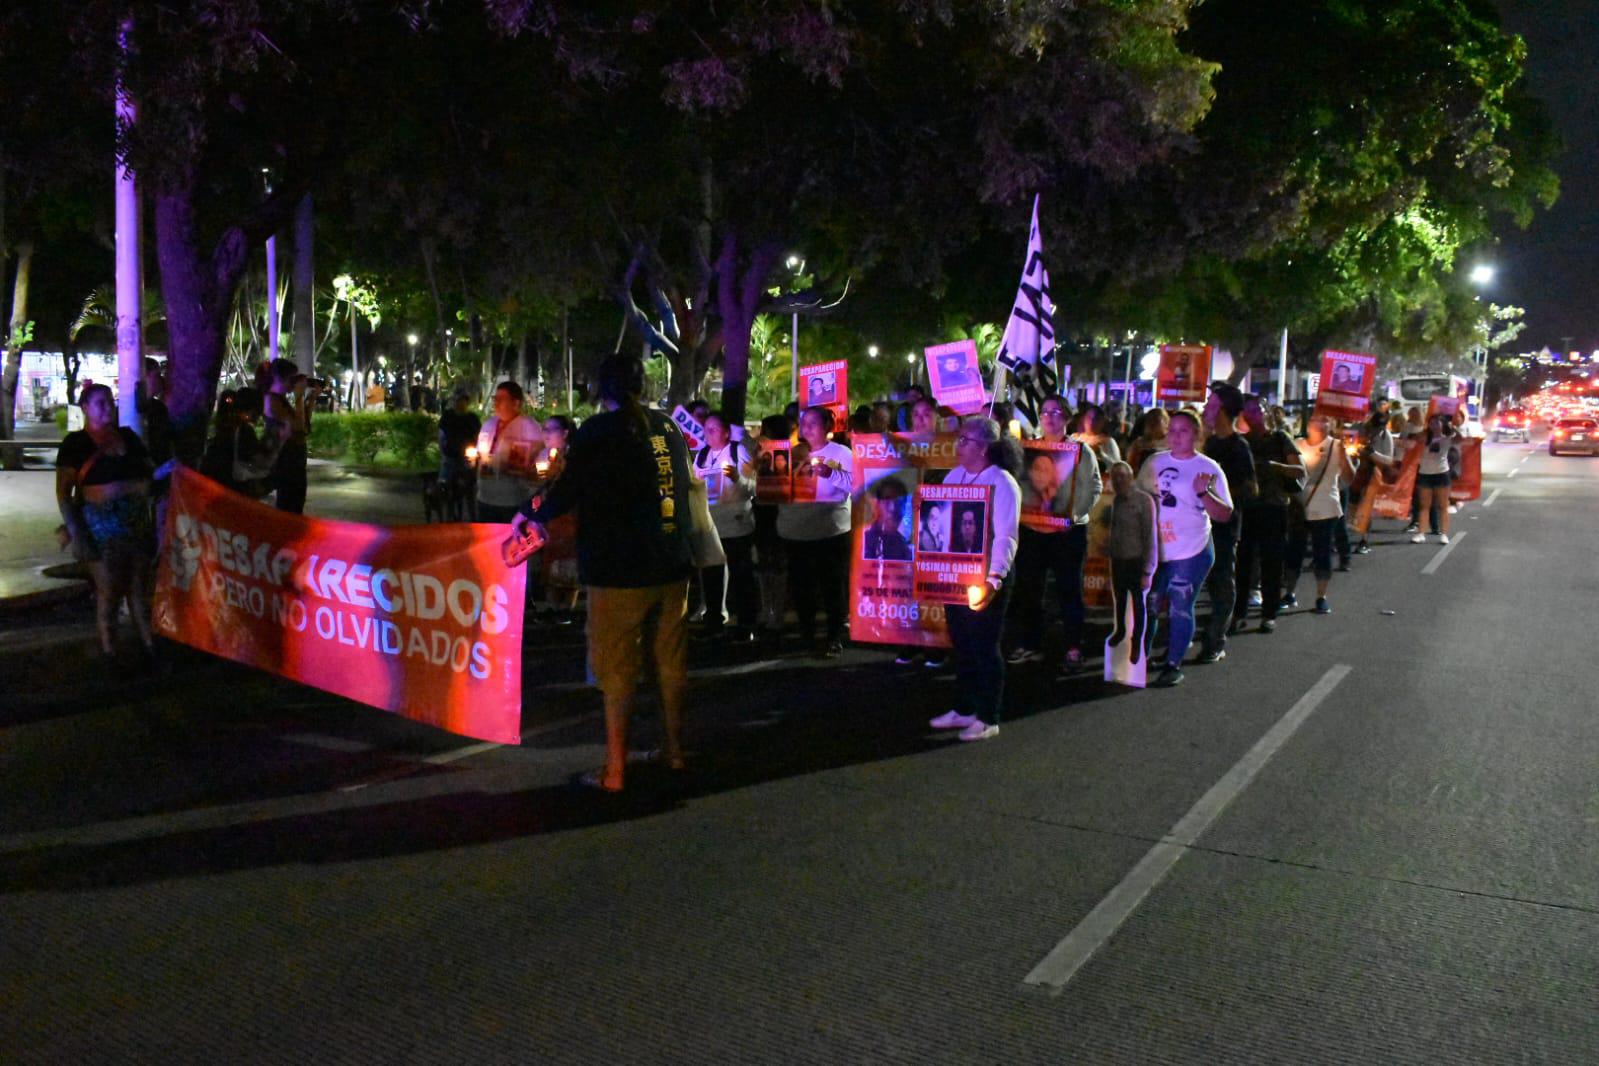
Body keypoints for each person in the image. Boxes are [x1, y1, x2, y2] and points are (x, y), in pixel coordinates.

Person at [512, 354, 695, 793]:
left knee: (616, 670)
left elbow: (568, 489)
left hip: (619, 566)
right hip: (672, 562)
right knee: (669, 663)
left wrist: (530, 513)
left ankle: (614, 770)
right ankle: (674, 750)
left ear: (602, 389)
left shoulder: (599, 431)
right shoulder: (667, 427)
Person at [928, 417, 1021, 742]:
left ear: (982, 447)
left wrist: (994, 578)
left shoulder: (1003, 482)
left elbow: (1006, 536)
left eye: (965, 440)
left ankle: (988, 715)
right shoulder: (955, 476)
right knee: (963, 644)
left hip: (986, 577)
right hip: (956, 574)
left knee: (984, 646)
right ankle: (964, 708)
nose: (958, 445)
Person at [55, 383, 158, 660]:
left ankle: (149, 648)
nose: (107, 407)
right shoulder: (76, 444)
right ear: (85, 408)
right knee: (109, 589)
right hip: (100, 529)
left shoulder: (128, 437)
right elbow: (64, 493)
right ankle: (110, 651)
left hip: (135, 525)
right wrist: (76, 533)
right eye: (100, 402)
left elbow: (150, 474)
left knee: (138, 589)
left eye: (109, 401)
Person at [1137, 410, 1233, 687]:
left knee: (1180, 606)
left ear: (1196, 434)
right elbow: (1136, 499)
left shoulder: (1209, 467)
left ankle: (1173, 663)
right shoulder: (1153, 462)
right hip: (1156, 551)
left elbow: (1224, 514)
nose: (1176, 436)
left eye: (1184, 431)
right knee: (1150, 604)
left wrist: (1204, 492)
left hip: (1191, 551)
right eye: (1173, 430)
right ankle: (1139, 658)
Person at [1008, 394, 1101, 669]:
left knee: (1069, 591)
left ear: (1067, 417)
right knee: (1030, 591)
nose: (1049, 416)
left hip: (1067, 532)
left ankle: (1073, 647)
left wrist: (1073, 514)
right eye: (1045, 411)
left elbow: (1094, 486)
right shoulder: (1028, 450)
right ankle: (1031, 643)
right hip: (1033, 531)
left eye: (1056, 411)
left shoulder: (1080, 451)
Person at [777, 406, 853, 657]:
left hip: (830, 531)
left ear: (827, 427)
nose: (806, 427)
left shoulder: (841, 453)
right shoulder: (786, 454)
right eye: (803, 423)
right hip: (796, 531)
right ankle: (806, 633)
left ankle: (833, 636)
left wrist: (830, 473)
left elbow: (855, 484)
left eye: (813, 423)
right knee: (801, 587)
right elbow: (771, 489)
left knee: (832, 585)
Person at [1235, 395, 1305, 635]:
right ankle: (1239, 612)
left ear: (1266, 412)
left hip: (1274, 507)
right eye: (1247, 411)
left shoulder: (1279, 439)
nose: (1252, 415)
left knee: (1271, 563)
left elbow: (1298, 471)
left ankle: (1269, 613)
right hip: (1247, 507)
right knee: (1243, 563)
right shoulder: (1241, 442)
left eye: (1256, 410)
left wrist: (1276, 467)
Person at [1197, 383, 1255, 663]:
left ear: (1223, 410)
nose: (1206, 406)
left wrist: (1218, 492)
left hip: (1223, 529)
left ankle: (1215, 641)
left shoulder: (1238, 446)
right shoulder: (1209, 443)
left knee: (1221, 584)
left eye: (1211, 402)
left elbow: (1250, 488)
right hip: (1199, 527)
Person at [691, 412, 759, 640]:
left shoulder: (737, 452)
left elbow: (753, 487)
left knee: (741, 574)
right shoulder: (701, 455)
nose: (708, 433)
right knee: (711, 574)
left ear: (726, 432)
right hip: (711, 524)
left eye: (713, 429)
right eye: (705, 429)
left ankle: (746, 623)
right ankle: (714, 621)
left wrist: (737, 478)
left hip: (736, 523)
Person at [1284, 414, 1356, 614]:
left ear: (1330, 424)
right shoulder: (1296, 444)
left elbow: (1349, 479)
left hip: (1326, 509)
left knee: (1322, 553)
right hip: (1299, 508)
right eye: (1315, 417)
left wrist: (1343, 456)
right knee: (1294, 552)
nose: (1319, 421)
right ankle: (1289, 593)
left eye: (1325, 419)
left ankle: (1321, 596)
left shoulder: (1336, 447)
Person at [1104, 461, 1158, 663]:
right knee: (1120, 600)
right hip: (1118, 560)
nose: (1118, 480)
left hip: (1137, 562)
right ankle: (1120, 632)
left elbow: (1150, 537)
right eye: (1114, 477)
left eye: (1122, 476)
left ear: (1131, 477)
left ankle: (1137, 644)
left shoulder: (1144, 501)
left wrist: (1148, 571)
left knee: (1138, 604)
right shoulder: (1115, 500)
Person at [474, 380, 543, 524]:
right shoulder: (488, 425)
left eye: (501, 399)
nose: (496, 403)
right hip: (485, 499)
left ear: (516, 403)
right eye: (495, 399)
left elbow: (540, 468)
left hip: (513, 503)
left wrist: (519, 469)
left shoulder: (530, 429)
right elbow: (480, 455)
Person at [263, 359, 318, 514]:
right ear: (280, 378)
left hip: (295, 461)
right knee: (289, 507)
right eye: (291, 379)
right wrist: (299, 398)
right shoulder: (272, 400)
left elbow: (303, 425)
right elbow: (298, 427)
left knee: (296, 505)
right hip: (286, 462)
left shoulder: (281, 399)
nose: (293, 383)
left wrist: (311, 399)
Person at [1413, 414, 1459, 545]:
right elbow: (1414, 439)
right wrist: (1425, 431)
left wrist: (1452, 427)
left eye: (1437, 423)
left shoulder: (1447, 439)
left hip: (1441, 474)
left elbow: (1460, 439)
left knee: (1443, 506)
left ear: (1442, 425)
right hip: (1425, 473)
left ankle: (1444, 534)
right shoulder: (1424, 438)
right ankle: (1421, 533)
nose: (1434, 426)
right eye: (1431, 423)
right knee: (1424, 506)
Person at [437, 389, 482, 521]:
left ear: (466, 402)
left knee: (469, 491)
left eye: (462, 400)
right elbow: (441, 436)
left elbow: (477, 437)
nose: (460, 403)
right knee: (446, 488)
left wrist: (475, 453)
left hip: (467, 459)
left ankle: (472, 518)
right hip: (450, 457)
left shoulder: (472, 418)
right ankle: (450, 517)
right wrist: (443, 451)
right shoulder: (447, 417)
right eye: (457, 400)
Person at [864, 487, 914, 561]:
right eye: (887, 501)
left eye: (898, 502)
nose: (892, 508)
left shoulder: (904, 548)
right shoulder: (863, 542)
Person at [1125, 408, 1169, 474]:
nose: (1152, 423)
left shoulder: (1173, 443)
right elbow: (1130, 467)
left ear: (1166, 422)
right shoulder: (1138, 444)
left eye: (1156, 420)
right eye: (1150, 420)